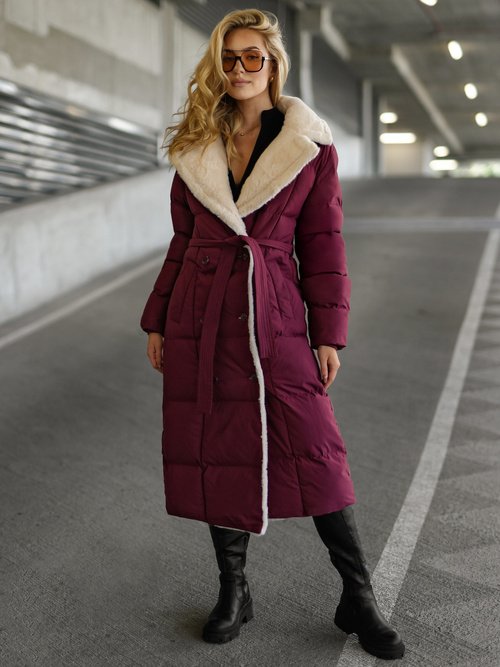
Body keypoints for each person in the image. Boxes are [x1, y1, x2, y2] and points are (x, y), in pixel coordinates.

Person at [141, 8, 404, 661]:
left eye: (251, 57)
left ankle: (358, 596)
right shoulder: (196, 145)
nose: (239, 69)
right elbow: (182, 242)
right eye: (228, 58)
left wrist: (328, 333)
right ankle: (234, 589)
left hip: (275, 314)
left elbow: (323, 244)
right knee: (219, 446)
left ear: (273, 64)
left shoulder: (307, 146)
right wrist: (158, 317)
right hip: (202, 317)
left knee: (317, 450)